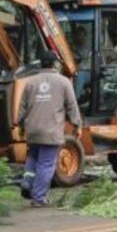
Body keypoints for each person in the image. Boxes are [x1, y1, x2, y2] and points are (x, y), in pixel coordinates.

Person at [17, 50, 82, 206]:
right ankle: (38, 198)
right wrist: (77, 125)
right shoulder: (64, 82)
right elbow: (72, 106)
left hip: (32, 130)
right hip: (50, 131)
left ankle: (27, 182)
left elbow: (22, 108)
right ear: (55, 64)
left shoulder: (30, 82)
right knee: (46, 164)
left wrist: (20, 126)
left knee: (33, 158)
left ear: (41, 63)